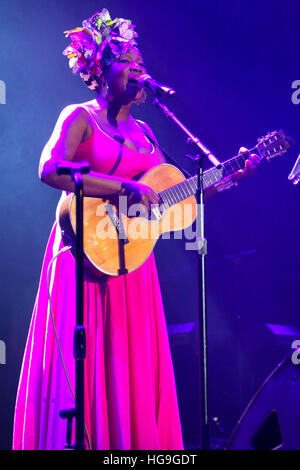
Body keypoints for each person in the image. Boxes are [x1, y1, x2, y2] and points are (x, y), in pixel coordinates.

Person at [12, 9, 261, 450]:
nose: (140, 71)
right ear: (101, 71)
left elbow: (174, 193)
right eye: (129, 62)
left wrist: (230, 175)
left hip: (130, 265)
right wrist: (122, 185)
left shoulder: (146, 132)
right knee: (86, 365)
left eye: (143, 64)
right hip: (83, 256)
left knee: (128, 368)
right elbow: (49, 169)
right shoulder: (80, 116)